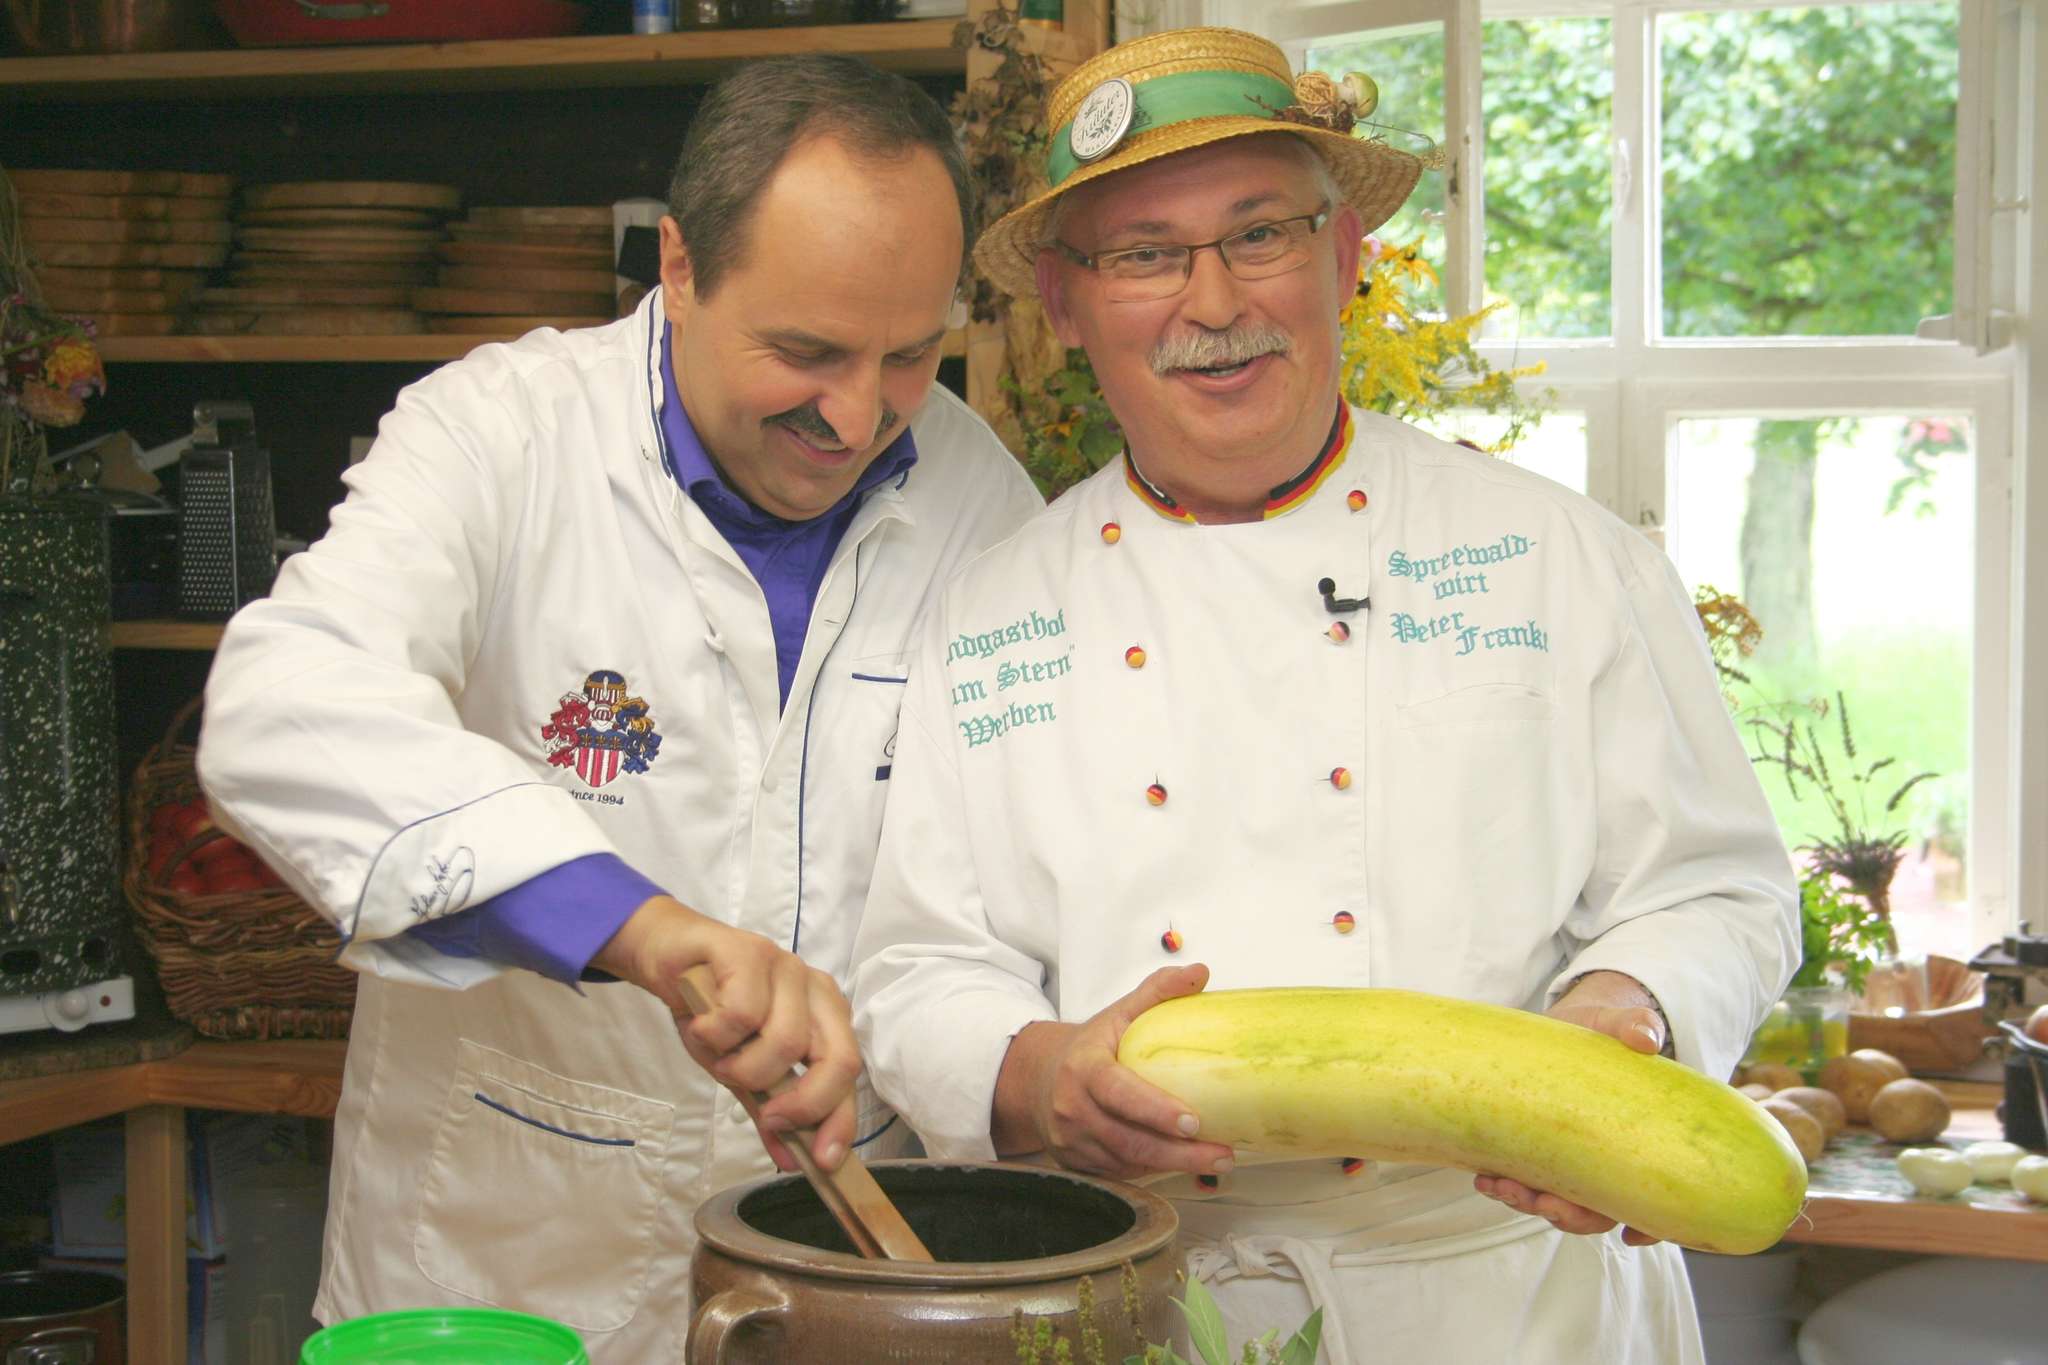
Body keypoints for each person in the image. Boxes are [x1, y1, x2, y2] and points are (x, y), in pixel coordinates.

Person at [849, 27, 1798, 1363]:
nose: (1213, 302)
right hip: (1152, 1297)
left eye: (1261, 237)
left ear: (1345, 258)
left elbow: (1721, 886)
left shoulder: (1556, 557)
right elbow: (919, 962)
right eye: (1143, 255)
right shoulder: (993, 610)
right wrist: (1035, 1074)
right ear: (1063, 305)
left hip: (1510, 1291)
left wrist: (1626, 1013)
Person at [196, 54, 1042, 1359]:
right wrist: (639, 928)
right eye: (807, 352)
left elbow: (1013, 858)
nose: (859, 413)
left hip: (835, 1274)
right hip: (502, 1265)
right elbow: (282, 705)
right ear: (681, 267)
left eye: (911, 354)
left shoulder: (980, 499)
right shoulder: (498, 437)